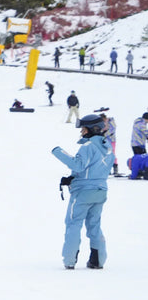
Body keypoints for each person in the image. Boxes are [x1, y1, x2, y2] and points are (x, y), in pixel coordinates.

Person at [53, 114, 113, 269]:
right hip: (100, 191)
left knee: (73, 224)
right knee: (94, 225)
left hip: (83, 193)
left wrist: (58, 152)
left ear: (92, 129)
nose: (81, 132)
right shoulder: (107, 148)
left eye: (83, 129)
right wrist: (71, 178)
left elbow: (78, 165)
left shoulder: (87, 146)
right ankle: (97, 260)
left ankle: (69, 260)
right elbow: (92, 170)